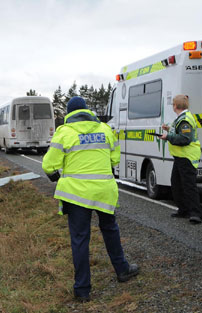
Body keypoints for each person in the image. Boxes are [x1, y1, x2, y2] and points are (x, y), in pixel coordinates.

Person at [42, 96, 139, 302]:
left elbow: (49, 165)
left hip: (76, 195)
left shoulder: (64, 133)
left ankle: (83, 290)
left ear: (69, 113)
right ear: (87, 111)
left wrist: (56, 175)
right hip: (104, 191)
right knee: (110, 229)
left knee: (80, 239)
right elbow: (114, 158)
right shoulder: (105, 129)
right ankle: (122, 270)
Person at [158, 95, 202, 224]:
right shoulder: (182, 118)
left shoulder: (184, 120)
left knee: (189, 186)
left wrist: (167, 137)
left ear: (175, 106)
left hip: (187, 156)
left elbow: (184, 139)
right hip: (180, 157)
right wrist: (169, 130)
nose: (173, 106)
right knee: (177, 184)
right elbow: (180, 133)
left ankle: (196, 213)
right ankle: (183, 210)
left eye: (173, 104)